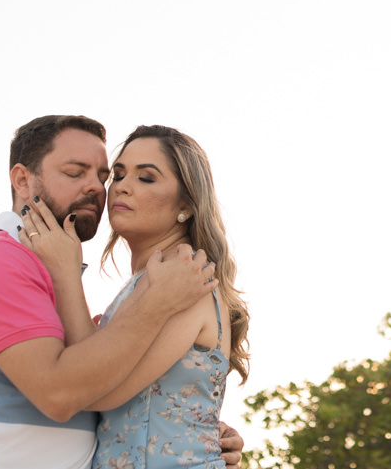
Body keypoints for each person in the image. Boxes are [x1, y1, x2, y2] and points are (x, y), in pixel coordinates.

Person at [0, 115, 244, 469]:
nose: (102, 188)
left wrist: (198, 431)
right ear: (22, 179)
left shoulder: (183, 278)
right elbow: (69, 391)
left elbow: (101, 385)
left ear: (186, 203)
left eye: (103, 176)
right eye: (76, 173)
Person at [21, 125, 249, 469]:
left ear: (185, 203)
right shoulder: (144, 285)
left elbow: (94, 390)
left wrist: (65, 272)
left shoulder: (184, 277)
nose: (121, 187)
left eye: (146, 178)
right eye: (119, 174)